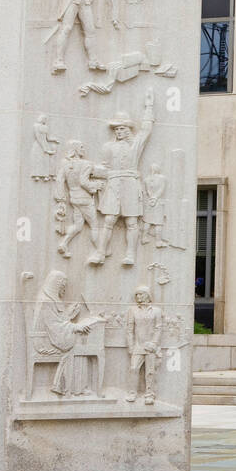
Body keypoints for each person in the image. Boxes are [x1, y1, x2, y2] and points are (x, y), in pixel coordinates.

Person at [90, 89, 155, 267]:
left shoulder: (135, 145)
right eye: (117, 129)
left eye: (122, 128)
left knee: (132, 221)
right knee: (109, 219)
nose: (119, 131)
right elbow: (105, 166)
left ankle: (130, 254)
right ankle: (101, 252)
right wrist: (95, 171)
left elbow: (146, 130)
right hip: (113, 184)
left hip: (130, 183)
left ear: (128, 130)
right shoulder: (108, 146)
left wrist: (149, 107)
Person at [32, 270, 98, 398]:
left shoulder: (49, 299)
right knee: (78, 348)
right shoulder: (46, 301)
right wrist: (75, 326)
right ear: (56, 285)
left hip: (51, 336)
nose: (64, 290)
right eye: (63, 287)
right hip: (43, 341)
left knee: (79, 344)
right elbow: (54, 326)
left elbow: (57, 321)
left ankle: (68, 386)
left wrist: (69, 313)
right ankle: (71, 388)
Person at [53, 141, 102, 258]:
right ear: (75, 149)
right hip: (85, 199)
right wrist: (96, 185)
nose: (83, 149)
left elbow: (60, 181)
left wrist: (61, 199)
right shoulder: (86, 164)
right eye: (81, 147)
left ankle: (64, 243)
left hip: (73, 198)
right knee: (94, 225)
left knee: (78, 225)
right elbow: (83, 181)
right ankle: (99, 252)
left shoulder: (65, 165)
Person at [124, 285, 164, 404]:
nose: (138, 297)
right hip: (138, 345)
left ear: (147, 295)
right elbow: (129, 329)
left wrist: (154, 343)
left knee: (150, 371)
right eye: (136, 295)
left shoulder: (156, 311)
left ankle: (149, 394)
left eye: (140, 294)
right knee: (133, 369)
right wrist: (130, 346)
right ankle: (132, 393)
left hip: (151, 346)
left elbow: (159, 328)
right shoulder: (133, 310)